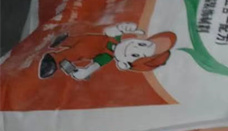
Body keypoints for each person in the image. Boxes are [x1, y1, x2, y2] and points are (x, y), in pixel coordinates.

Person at [39, 23, 176, 81]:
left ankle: (53, 60)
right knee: (74, 39)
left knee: (75, 53)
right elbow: (111, 31)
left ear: (123, 64)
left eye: (135, 55)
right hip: (83, 37)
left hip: (83, 51)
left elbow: (95, 65)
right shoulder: (116, 39)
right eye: (141, 44)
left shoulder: (107, 56)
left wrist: (84, 72)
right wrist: (124, 28)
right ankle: (62, 40)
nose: (134, 47)